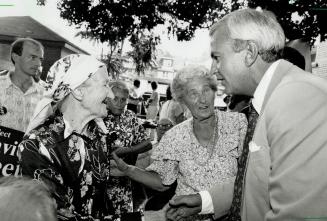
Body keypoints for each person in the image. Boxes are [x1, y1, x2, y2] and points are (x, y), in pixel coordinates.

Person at [167, 8, 327, 221]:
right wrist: (205, 201)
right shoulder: (274, 97)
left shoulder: (297, 98)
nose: (214, 70)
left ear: (250, 52)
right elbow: (259, 181)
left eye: (217, 57)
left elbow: (299, 214)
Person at [110, 65, 248, 221]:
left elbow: (251, 178)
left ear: (214, 91)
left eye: (206, 90)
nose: (202, 99)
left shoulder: (238, 124)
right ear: (182, 99)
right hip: (183, 217)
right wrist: (128, 170)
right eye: (193, 93)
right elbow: (162, 182)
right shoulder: (174, 136)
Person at [19, 54, 115, 220]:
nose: (111, 95)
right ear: (78, 91)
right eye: (105, 84)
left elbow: (100, 200)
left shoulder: (98, 136)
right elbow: (56, 216)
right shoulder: (37, 146)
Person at [103, 80, 152, 218]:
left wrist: (127, 150)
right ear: (107, 98)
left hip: (126, 181)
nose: (119, 103)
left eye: (123, 99)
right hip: (104, 182)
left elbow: (147, 143)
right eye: (115, 99)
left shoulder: (129, 116)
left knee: (125, 216)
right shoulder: (100, 116)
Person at [0, 37, 44, 132]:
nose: (38, 63)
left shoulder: (47, 93)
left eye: (40, 59)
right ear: (15, 57)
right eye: (32, 57)